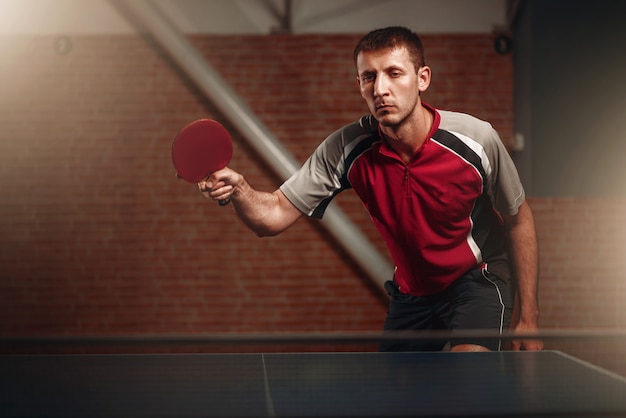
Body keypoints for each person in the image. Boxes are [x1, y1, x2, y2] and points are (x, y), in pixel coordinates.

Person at [197, 26, 543, 352]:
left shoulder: (476, 140)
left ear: (422, 79)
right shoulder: (347, 149)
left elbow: (518, 220)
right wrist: (240, 189)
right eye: (369, 77)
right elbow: (272, 216)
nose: (380, 89)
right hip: (412, 292)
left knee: (469, 379)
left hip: (476, 279)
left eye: (394, 73)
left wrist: (529, 318)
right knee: (393, 398)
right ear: (360, 84)